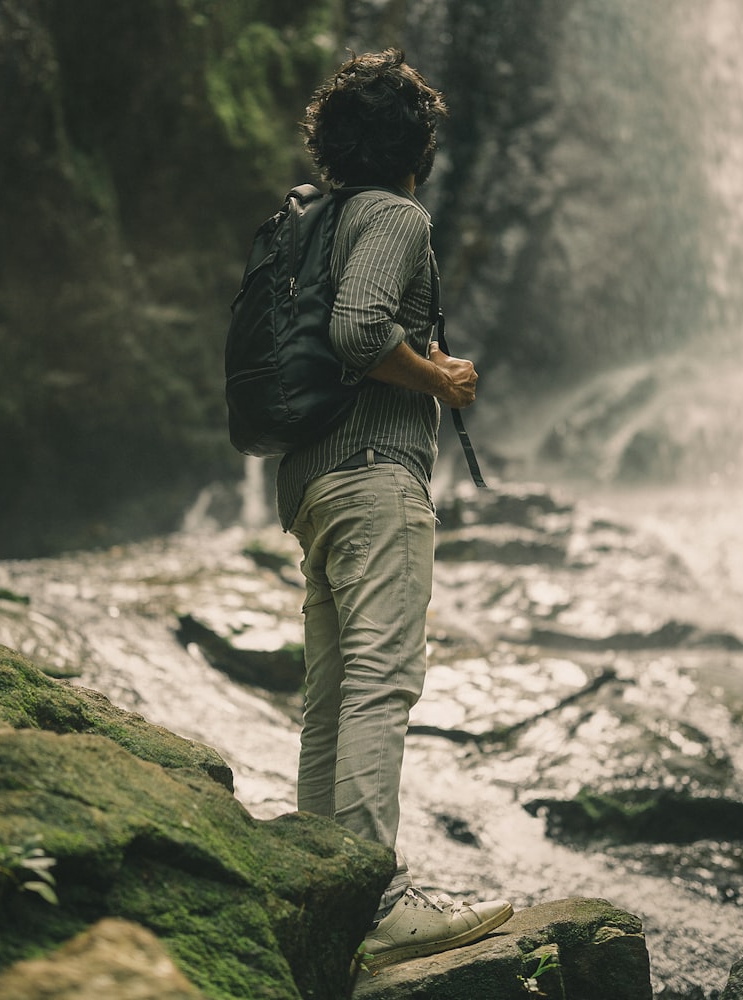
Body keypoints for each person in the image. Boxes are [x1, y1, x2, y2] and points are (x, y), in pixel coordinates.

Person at [277, 48, 513, 967]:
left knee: (331, 697)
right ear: (415, 141)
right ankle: (376, 901)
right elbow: (359, 328)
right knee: (380, 683)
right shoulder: (396, 217)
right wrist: (440, 375)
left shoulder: (315, 220)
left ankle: (315, 903)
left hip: (313, 481)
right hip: (376, 477)